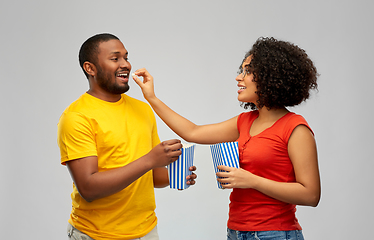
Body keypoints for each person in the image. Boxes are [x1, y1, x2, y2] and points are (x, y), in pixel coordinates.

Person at [133, 37, 321, 240]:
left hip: (275, 233)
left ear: (271, 76)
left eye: (248, 71)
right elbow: (192, 132)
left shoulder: (295, 128)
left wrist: (251, 180)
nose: (239, 77)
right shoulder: (245, 121)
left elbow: (310, 194)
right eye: (242, 70)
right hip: (236, 232)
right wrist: (151, 97)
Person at [57, 33, 197, 240]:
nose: (125, 64)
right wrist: (151, 159)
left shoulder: (142, 109)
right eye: (115, 59)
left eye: (126, 57)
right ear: (90, 68)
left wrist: (173, 176)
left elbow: (152, 175)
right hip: (97, 235)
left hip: (147, 231)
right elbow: (88, 188)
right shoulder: (76, 117)